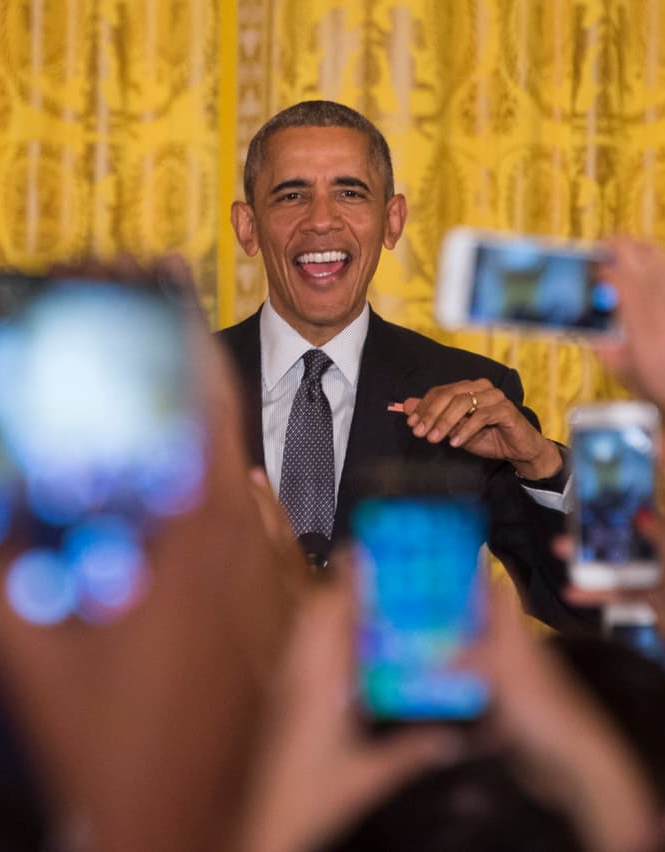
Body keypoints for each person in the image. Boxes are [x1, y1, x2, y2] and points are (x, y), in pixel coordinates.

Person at [216, 100, 581, 629]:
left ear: (392, 220)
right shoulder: (177, 386)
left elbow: (584, 612)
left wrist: (540, 464)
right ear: (248, 228)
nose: (320, 220)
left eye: (349, 192)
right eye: (292, 194)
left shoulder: (470, 396)